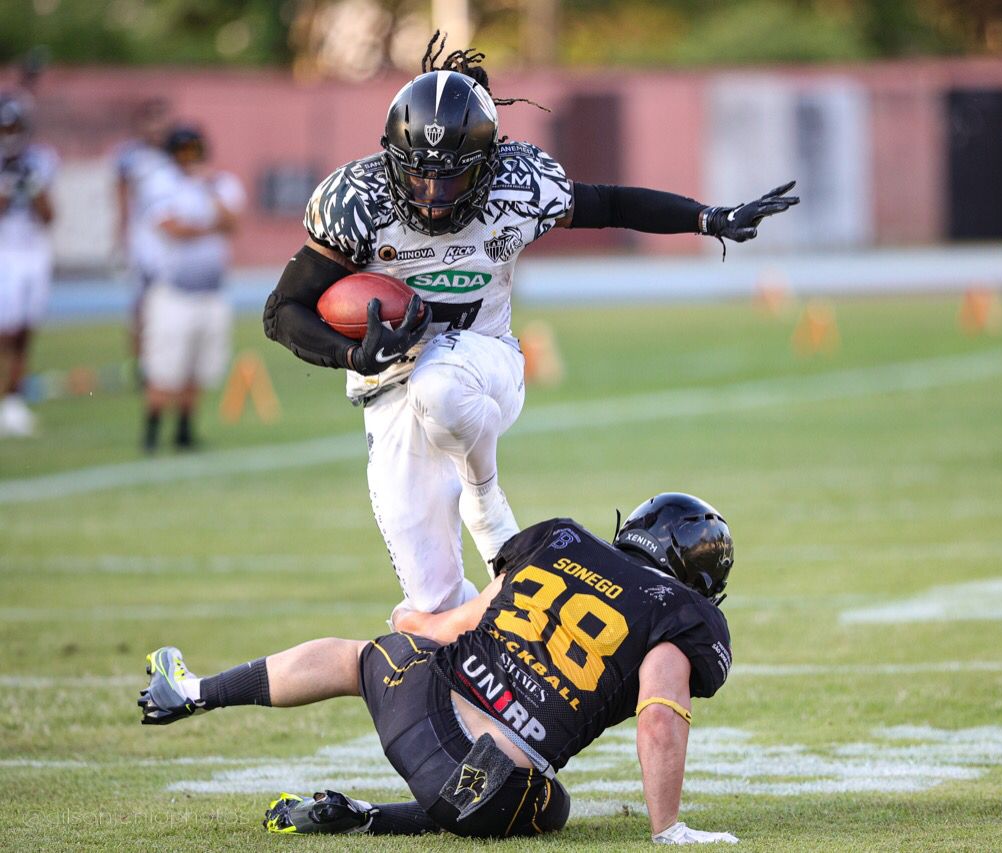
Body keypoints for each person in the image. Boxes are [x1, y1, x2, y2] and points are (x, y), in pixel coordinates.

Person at [262, 32, 797, 618]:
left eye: (453, 179)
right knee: (433, 602)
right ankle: (493, 646)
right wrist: (351, 355)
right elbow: (281, 311)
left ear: (488, 165)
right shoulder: (357, 200)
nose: (436, 196)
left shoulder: (518, 184)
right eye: (420, 177)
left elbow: (611, 204)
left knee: (437, 383)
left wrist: (706, 217)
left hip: (487, 365)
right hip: (388, 388)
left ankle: (485, 501)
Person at [139, 493, 738, 845]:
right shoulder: (680, 613)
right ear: (699, 577)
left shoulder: (559, 539)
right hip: (496, 786)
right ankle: (371, 820)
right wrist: (668, 830)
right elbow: (659, 715)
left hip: (420, 708)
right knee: (551, 805)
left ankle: (191, 691)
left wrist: (406, 624)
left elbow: (450, 626)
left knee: (357, 657)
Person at [136, 125, 245, 452]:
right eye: (183, 151)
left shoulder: (218, 182)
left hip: (211, 291)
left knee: (200, 366)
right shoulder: (160, 182)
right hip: (174, 291)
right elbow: (172, 229)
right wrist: (209, 226)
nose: (189, 158)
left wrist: (207, 193)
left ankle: (185, 430)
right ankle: (152, 431)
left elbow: (233, 224)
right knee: (165, 367)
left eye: (193, 150)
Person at [0, 92, 56, 437]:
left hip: (34, 252)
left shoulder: (41, 160)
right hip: (4, 252)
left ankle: (13, 400)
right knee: (4, 331)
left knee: (25, 330)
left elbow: (49, 215)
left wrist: (32, 185)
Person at [113, 98, 176, 377]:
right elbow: (121, 197)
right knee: (140, 303)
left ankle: (168, 359)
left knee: (171, 300)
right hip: (143, 238)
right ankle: (139, 363)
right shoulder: (130, 156)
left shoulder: (175, 153)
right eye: (151, 121)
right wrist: (121, 233)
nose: (156, 128)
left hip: (170, 238)